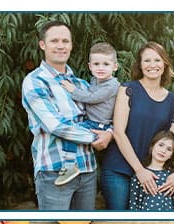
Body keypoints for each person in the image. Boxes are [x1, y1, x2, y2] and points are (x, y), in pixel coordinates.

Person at [21, 20, 110, 210]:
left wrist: (110, 133)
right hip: (54, 171)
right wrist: (97, 137)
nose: (61, 46)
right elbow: (56, 126)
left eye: (65, 41)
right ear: (42, 45)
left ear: (71, 45)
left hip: (87, 170)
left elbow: (101, 117)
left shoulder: (81, 85)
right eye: (54, 41)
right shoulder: (35, 82)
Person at [100, 41, 174, 210]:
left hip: (152, 173)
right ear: (140, 65)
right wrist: (139, 171)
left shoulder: (173, 100)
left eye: (157, 60)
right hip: (119, 169)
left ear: (165, 64)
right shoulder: (128, 89)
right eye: (147, 60)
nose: (152, 65)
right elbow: (119, 132)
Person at [57, 42, 120, 186]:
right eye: (96, 64)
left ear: (115, 67)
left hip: (99, 125)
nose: (101, 68)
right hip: (91, 121)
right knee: (71, 132)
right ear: (90, 66)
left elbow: (92, 98)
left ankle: (69, 166)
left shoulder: (112, 85)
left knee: (70, 132)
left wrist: (73, 90)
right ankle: (71, 164)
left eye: (106, 64)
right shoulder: (94, 81)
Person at [128, 130, 174, 210]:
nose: (163, 151)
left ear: (171, 156)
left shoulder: (173, 177)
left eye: (169, 149)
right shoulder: (140, 175)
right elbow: (133, 205)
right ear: (152, 146)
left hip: (167, 221)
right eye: (161, 145)